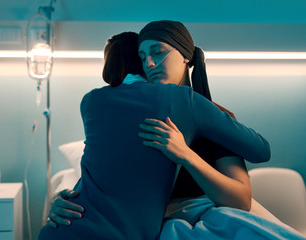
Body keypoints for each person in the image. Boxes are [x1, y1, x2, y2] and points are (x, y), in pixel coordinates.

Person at [37, 30, 271, 240]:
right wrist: (60, 198)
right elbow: (104, 172)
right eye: (141, 57)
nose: (149, 63)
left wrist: (186, 155)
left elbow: (241, 200)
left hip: (189, 224)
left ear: (186, 57)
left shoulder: (215, 116)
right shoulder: (124, 112)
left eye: (158, 52)